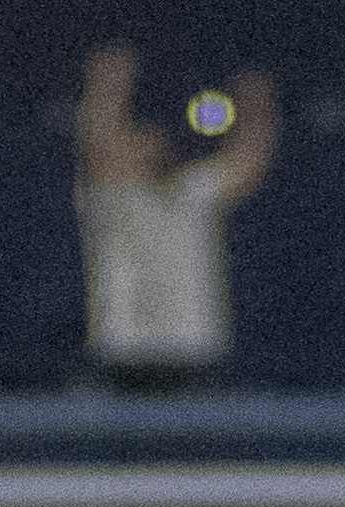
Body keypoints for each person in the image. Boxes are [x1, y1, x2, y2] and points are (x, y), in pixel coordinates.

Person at [74, 47, 276, 388]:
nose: (145, 144)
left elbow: (247, 163)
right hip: (122, 358)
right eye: (134, 139)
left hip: (191, 355)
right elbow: (97, 138)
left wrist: (255, 102)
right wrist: (107, 84)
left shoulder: (193, 190)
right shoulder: (109, 194)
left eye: (152, 141)